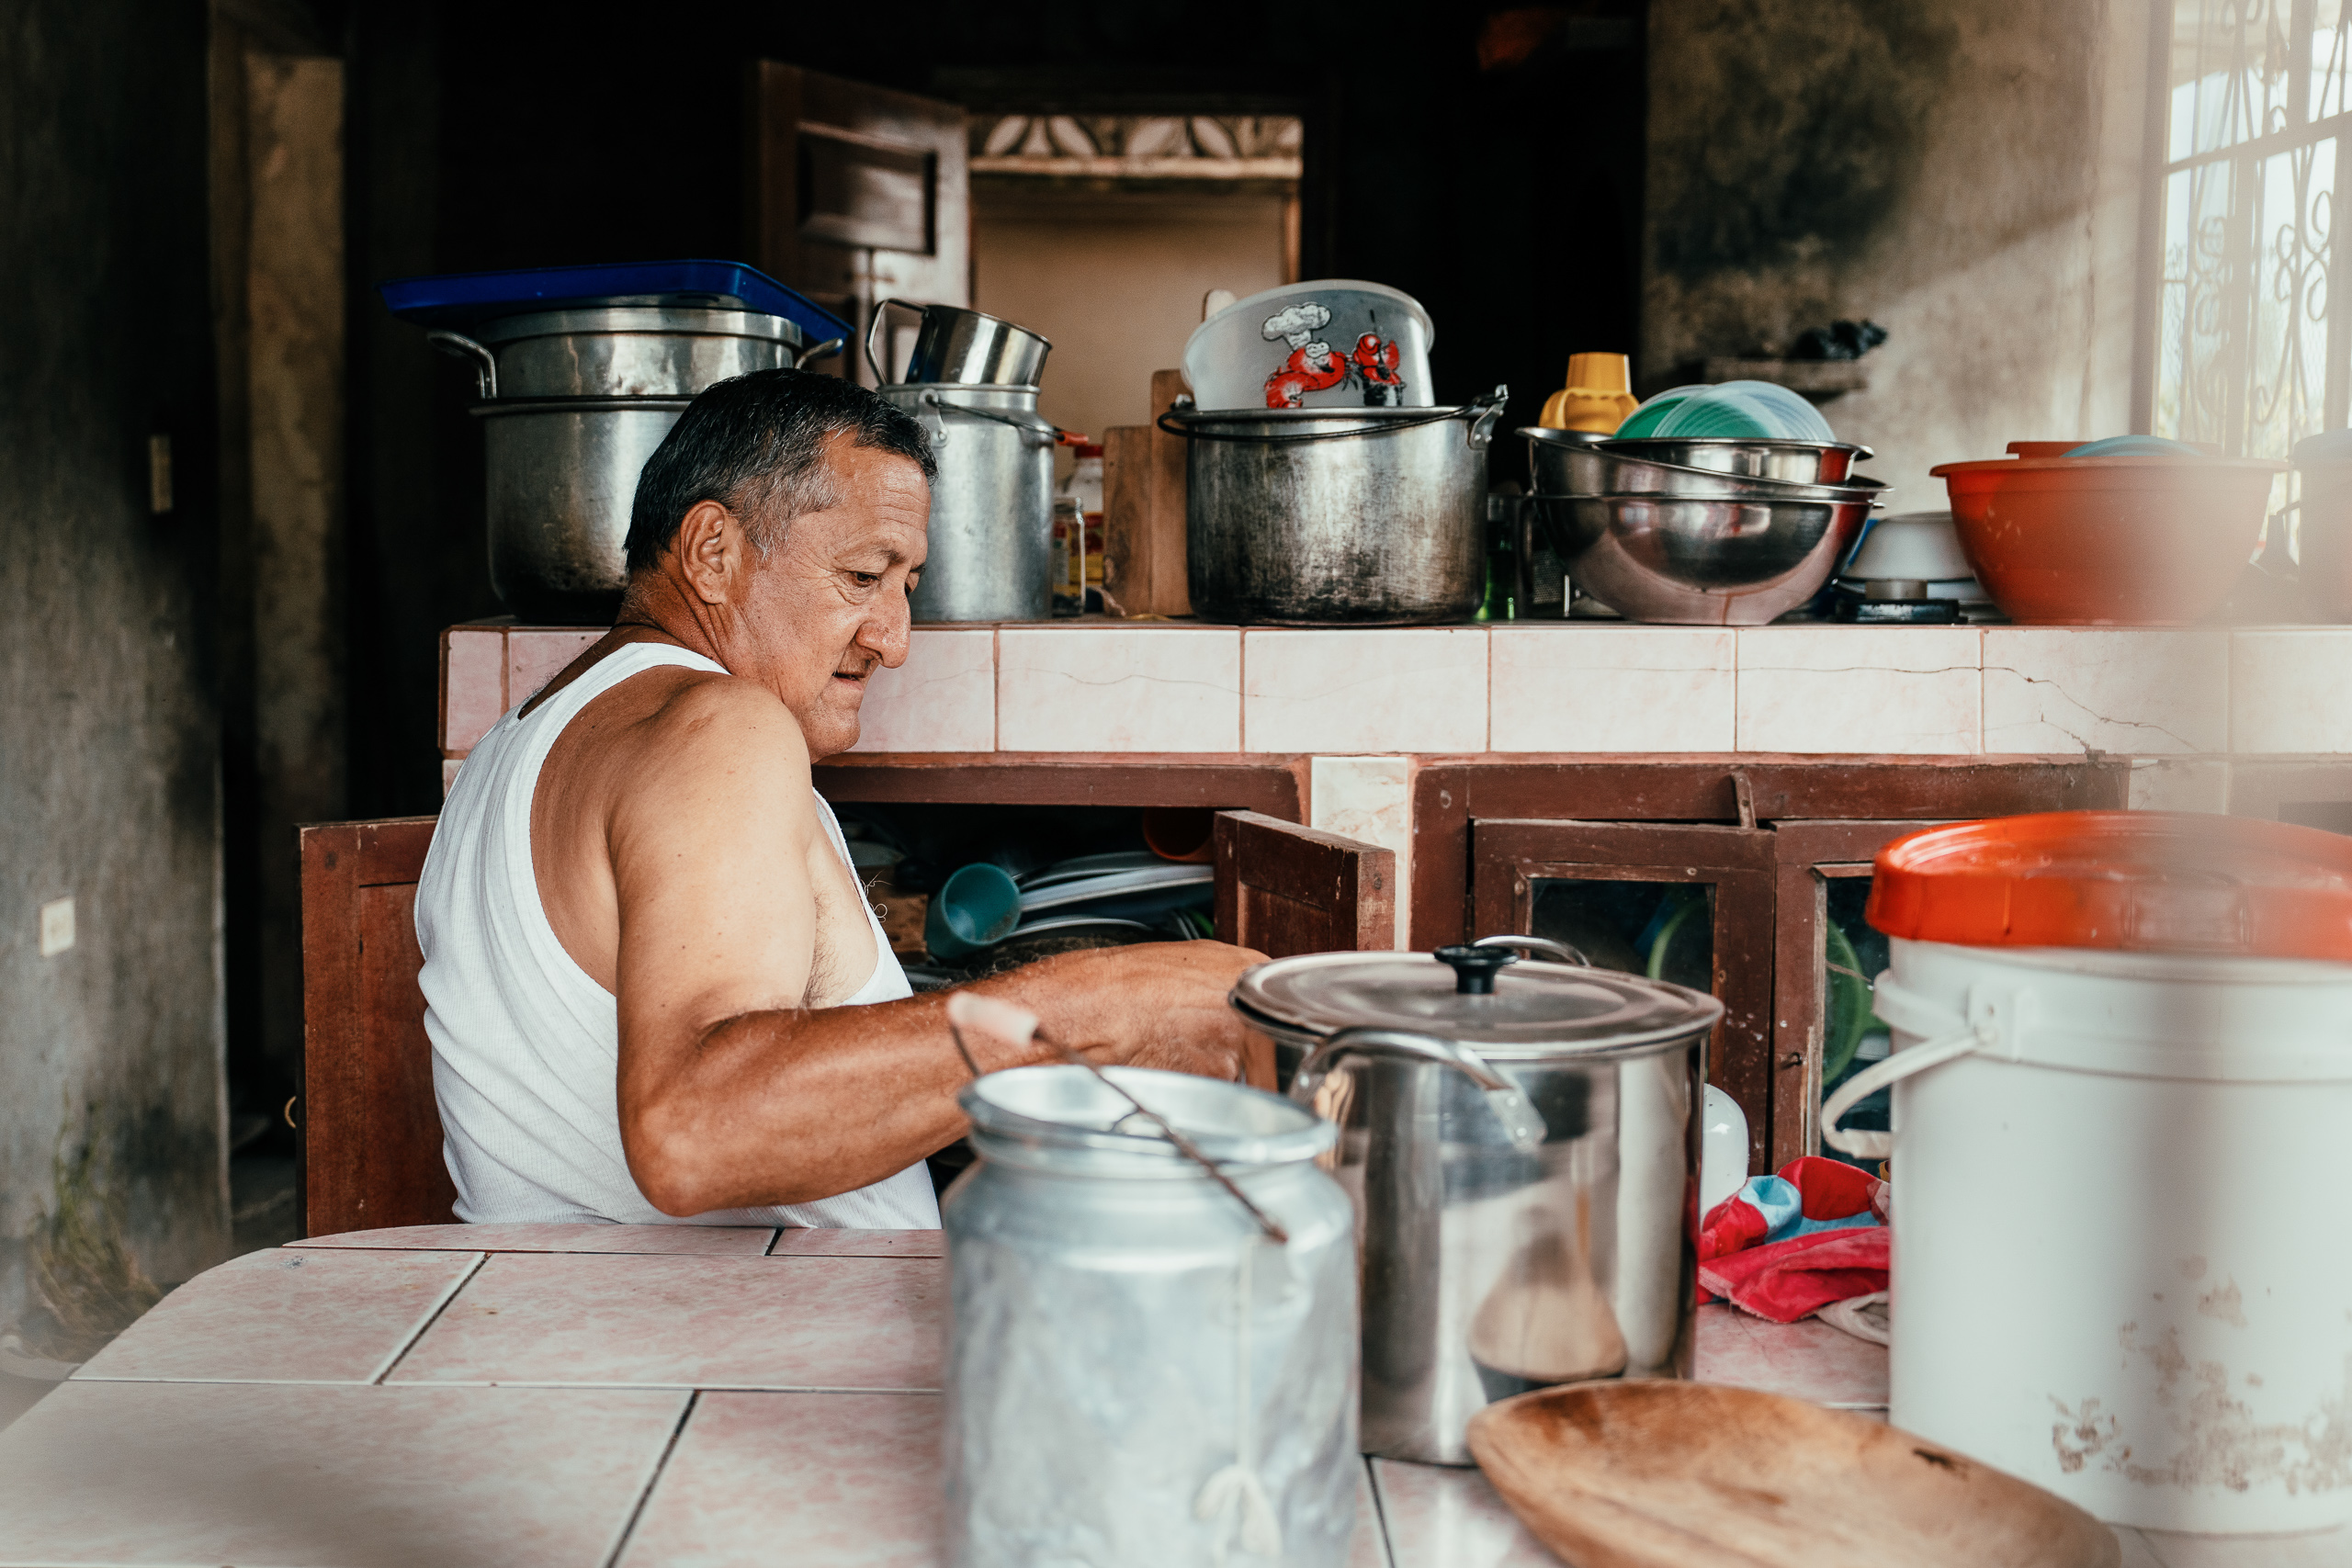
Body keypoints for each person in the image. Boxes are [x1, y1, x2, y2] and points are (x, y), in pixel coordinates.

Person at [413, 370, 1268, 1228]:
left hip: (583, 1335)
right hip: (722, 1355)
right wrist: (1107, 1006)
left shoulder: (514, 742)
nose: (895, 641)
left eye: (909, 586)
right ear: (713, 551)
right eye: (863, 575)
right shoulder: (720, 727)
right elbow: (692, 1130)